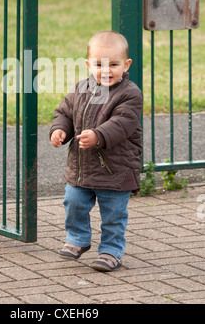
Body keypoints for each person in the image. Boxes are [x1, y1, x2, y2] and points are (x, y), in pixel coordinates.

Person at [50, 30, 143, 272]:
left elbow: (123, 123)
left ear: (126, 64)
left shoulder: (130, 94)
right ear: (88, 64)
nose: (106, 70)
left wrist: (98, 136)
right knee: (73, 203)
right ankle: (78, 239)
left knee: (113, 214)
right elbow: (65, 113)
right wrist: (60, 130)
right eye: (99, 64)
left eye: (113, 64)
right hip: (81, 167)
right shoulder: (81, 88)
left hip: (116, 168)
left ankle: (111, 251)